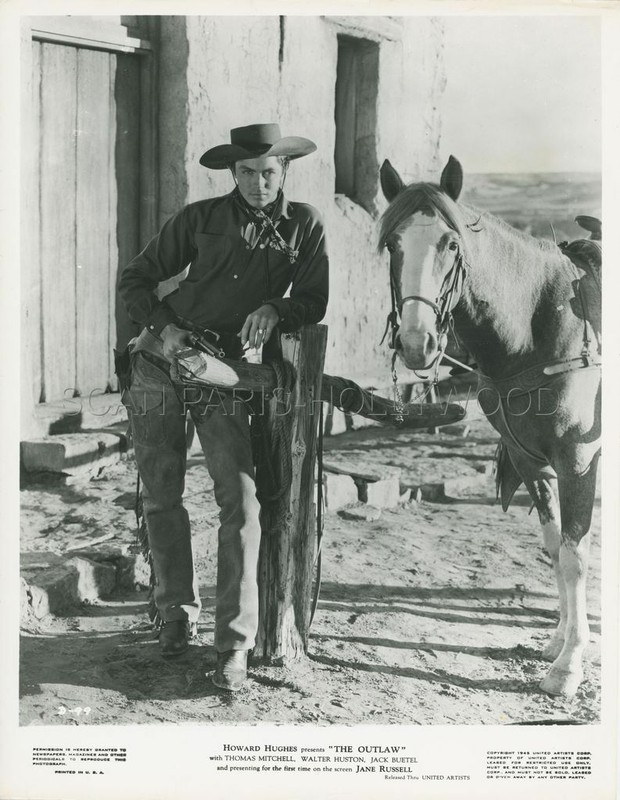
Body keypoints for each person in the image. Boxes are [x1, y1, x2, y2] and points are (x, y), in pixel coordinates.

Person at [117, 123, 329, 691]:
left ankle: (232, 646)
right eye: (246, 173)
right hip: (159, 363)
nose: (258, 184)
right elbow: (135, 278)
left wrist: (276, 308)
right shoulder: (199, 219)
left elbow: (313, 298)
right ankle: (173, 615)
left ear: (284, 172)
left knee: (241, 499)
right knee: (162, 495)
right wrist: (163, 330)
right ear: (231, 174)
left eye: (268, 173)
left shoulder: (303, 225)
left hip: (223, 375)